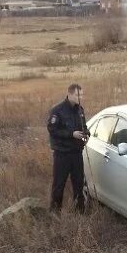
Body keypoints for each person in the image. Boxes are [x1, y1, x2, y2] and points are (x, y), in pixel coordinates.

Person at [47, 84, 88, 213]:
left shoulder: (80, 110)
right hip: (62, 154)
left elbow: (84, 127)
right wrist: (71, 134)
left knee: (79, 184)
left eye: (81, 95)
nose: (80, 97)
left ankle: (80, 213)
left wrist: (86, 134)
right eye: (77, 95)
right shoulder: (57, 110)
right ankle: (55, 213)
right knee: (59, 185)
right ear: (69, 94)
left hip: (76, 153)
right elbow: (52, 129)